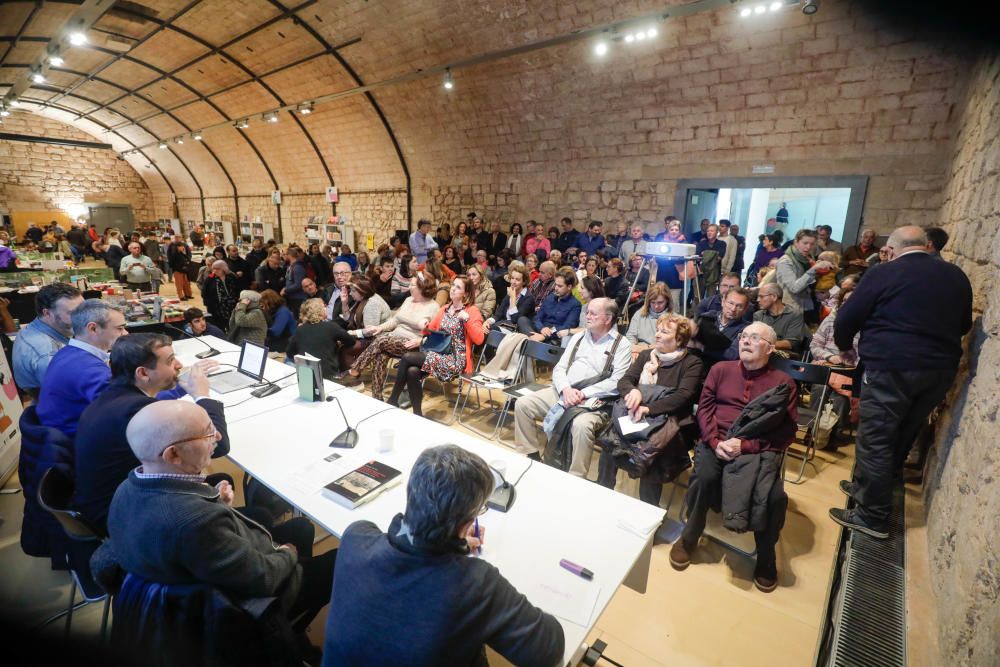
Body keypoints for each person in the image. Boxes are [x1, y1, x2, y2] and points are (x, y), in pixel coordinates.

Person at [91, 400, 335, 654]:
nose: (217, 436)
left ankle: (293, 631)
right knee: (338, 562)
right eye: (208, 432)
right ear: (173, 454)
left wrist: (219, 506)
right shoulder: (195, 522)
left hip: (187, 580)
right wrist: (288, 553)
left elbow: (191, 537)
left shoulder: (127, 488)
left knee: (301, 528)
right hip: (244, 605)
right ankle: (284, 626)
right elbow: (262, 579)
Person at [323, 444, 563, 666]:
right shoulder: (477, 584)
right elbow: (549, 651)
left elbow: (403, 543)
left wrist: (450, 543)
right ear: (467, 523)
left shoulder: (356, 538)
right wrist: (453, 545)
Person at [830, 225, 972, 539]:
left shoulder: (884, 273)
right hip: (938, 372)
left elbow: (848, 317)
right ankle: (869, 489)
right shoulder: (957, 276)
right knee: (903, 433)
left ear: (891, 250)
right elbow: (963, 324)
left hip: (890, 367)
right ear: (926, 245)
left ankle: (872, 516)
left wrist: (843, 349)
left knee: (876, 438)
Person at [669, 322, 797, 591]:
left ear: (770, 348)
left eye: (755, 338)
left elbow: (786, 432)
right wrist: (715, 442)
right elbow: (703, 411)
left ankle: (766, 556)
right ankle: (689, 536)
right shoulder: (720, 370)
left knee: (773, 497)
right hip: (716, 441)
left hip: (757, 447)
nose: (746, 341)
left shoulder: (783, 383)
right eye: (744, 336)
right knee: (703, 476)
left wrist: (746, 446)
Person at [74, 334, 231, 533]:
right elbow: (218, 445)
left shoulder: (114, 396)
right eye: (170, 360)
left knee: (218, 480)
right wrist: (202, 395)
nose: (179, 365)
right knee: (242, 500)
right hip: (123, 517)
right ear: (143, 373)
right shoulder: (139, 411)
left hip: (105, 500)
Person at [514, 298, 632, 477]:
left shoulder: (621, 344)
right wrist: (566, 390)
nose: (587, 316)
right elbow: (560, 368)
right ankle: (532, 455)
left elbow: (616, 382)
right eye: (588, 312)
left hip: (595, 400)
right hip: (564, 391)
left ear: (608, 319)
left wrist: (581, 393)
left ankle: (576, 475)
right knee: (523, 404)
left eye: (593, 313)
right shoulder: (578, 337)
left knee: (581, 426)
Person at [597, 313, 704, 504]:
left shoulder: (692, 363)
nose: (657, 335)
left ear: (679, 339)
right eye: (658, 330)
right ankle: (603, 494)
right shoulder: (647, 355)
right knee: (610, 443)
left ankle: (648, 506)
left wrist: (648, 409)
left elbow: (683, 397)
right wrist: (633, 392)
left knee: (651, 452)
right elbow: (625, 380)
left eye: (664, 332)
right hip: (637, 414)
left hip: (670, 421)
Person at [387, 275, 485, 417]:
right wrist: (424, 326)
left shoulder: (472, 311)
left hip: (456, 359)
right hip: (439, 353)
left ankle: (392, 400)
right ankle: (417, 414)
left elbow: (479, 339)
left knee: (408, 357)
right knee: (412, 371)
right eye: (453, 285)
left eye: (458, 287)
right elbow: (431, 331)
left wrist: (467, 319)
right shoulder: (445, 308)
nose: (452, 289)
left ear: (466, 293)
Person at [340, 271, 440, 399]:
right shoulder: (409, 300)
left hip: (413, 344)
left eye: (413, 285)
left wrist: (420, 340)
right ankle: (377, 397)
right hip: (394, 339)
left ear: (423, 287)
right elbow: (395, 320)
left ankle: (356, 369)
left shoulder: (433, 307)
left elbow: (435, 334)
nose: (409, 287)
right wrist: (379, 327)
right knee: (380, 354)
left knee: (381, 341)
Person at [36, 300, 128, 438]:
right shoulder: (89, 369)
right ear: (93, 329)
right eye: (120, 328)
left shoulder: (67, 352)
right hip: (81, 443)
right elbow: (125, 410)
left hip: (65, 435)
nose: (126, 333)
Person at [12, 283, 83, 396]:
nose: (83, 318)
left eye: (83, 310)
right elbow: (66, 396)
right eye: (73, 313)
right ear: (47, 313)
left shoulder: (40, 326)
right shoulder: (47, 353)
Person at [285, 298, 357, 380]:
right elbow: (351, 341)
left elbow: (289, 352)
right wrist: (337, 343)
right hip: (329, 376)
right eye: (324, 307)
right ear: (319, 311)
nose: (326, 308)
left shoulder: (300, 329)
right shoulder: (331, 327)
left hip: (306, 376)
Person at [774, 229, 834, 320]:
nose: (808, 247)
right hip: (790, 309)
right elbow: (794, 288)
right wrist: (814, 269)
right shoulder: (785, 261)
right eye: (805, 243)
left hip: (806, 307)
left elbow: (809, 284)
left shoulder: (808, 258)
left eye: (812, 244)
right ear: (796, 242)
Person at [338, 276, 392, 370]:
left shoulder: (372, 303)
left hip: (379, 340)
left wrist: (350, 334)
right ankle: (349, 376)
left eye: (353, 291)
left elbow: (370, 332)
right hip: (369, 336)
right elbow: (348, 318)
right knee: (342, 343)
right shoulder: (362, 299)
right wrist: (344, 302)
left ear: (363, 290)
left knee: (345, 350)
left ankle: (353, 381)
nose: (350, 293)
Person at [524, 270, 581, 344]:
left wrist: (546, 335)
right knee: (522, 320)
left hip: (554, 336)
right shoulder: (550, 297)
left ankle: (532, 340)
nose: (556, 288)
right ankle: (534, 340)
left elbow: (567, 326)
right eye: (555, 285)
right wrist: (542, 328)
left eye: (560, 286)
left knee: (552, 340)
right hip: (540, 329)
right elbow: (538, 317)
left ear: (569, 287)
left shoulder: (575, 304)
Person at [753, 284, 810, 355]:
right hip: (763, 353)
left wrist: (764, 344)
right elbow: (755, 338)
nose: (757, 300)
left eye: (761, 296)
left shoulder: (795, 315)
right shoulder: (758, 315)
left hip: (787, 357)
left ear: (774, 297)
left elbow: (791, 343)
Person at [484, 263, 536, 334]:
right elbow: (498, 314)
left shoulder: (528, 298)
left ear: (524, 282)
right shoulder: (510, 293)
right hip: (503, 326)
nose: (513, 282)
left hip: (516, 331)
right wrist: (488, 321)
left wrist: (513, 298)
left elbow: (515, 319)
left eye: (517, 279)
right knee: (484, 328)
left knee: (492, 331)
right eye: (512, 278)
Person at [625, 282, 672, 357]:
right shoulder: (639, 314)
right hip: (638, 353)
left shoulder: (674, 319)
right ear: (648, 301)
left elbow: (669, 344)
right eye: (653, 302)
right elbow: (631, 336)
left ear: (667, 301)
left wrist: (645, 348)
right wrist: (633, 351)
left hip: (661, 355)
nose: (656, 306)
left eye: (660, 302)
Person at [558, 275, 605, 346]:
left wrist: (569, 331)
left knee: (567, 336)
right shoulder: (584, 307)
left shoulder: (601, 308)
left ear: (591, 291)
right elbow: (582, 327)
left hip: (599, 343)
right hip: (585, 339)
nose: (579, 290)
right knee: (566, 337)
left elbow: (592, 330)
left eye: (582, 288)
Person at [202, 259, 238, 332]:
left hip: (232, 305)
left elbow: (237, 289)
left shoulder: (231, 276)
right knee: (219, 325)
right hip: (216, 307)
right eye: (214, 269)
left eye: (217, 269)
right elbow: (204, 293)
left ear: (223, 269)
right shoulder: (210, 279)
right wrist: (208, 304)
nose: (215, 271)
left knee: (232, 324)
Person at [260, 289, 296, 354]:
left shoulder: (283, 311)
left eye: (263, 303)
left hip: (285, 345)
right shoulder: (274, 311)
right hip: (279, 343)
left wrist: (260, 329)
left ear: (269, 301)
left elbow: (276, 332)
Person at [281, 247, 309, 315]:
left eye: (285, 254)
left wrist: (285, 290)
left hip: (298, 299)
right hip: (292, 298)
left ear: (289, 255)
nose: (282, 256)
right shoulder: (291, 266)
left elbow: (298, 285)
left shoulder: (298, 267)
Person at [167, 235, 193, 300]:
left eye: (182, 246)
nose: (182, 247)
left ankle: (188, 295)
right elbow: (171, 262)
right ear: (177, 247)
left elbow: (188, 256)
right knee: (179, 284)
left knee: (186, 283)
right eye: (181, 247)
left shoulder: (183, 252)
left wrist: (188, 262)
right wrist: (177, 268)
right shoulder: (173, 252)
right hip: (177, 270)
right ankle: (181, 296)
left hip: (185, 270)